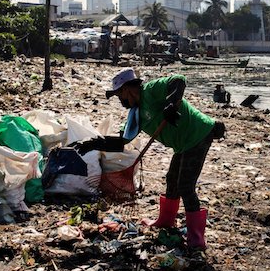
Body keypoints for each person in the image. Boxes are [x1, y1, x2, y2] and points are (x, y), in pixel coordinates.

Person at [76, 68, 224, 250]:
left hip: (198, 135)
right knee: (172, 180)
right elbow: (122, 141)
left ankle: (196, 238)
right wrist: (94, 143)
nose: (120, 101)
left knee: (185, 186)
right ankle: (166, 221)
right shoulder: (135, 113)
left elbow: (178, 80)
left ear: (127, 89)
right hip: (182, 144)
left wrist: (171, 104)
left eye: (119, 96)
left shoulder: (151, 90)